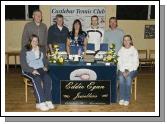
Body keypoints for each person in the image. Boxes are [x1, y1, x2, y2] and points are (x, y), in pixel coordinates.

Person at [20, 34, 54, 111]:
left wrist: (46, 66)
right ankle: (40, 102)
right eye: (33, 41)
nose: (35, 42)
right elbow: (23, 64)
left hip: (40, 68)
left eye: (37, 41)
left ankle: (48, 100)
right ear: (30, 41)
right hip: (28, 69)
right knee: (37, 79)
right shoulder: (25, 49)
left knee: (48, 78)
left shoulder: (41, 49)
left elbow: (45, 60)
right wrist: (32, 70)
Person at [117, 35, 139, 106]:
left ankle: (127, 99)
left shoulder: (134, 50)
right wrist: (123, 71)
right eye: (124, 40)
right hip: (122, 69)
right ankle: (121, 98)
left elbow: (136, 63)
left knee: (128, 78)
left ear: (131, 41)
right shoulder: (121, 50)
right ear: (123, 41)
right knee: (121, 78)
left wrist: (128, 71)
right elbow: (119, 62)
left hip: (132, 70)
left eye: (128, 40)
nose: (126, 42)